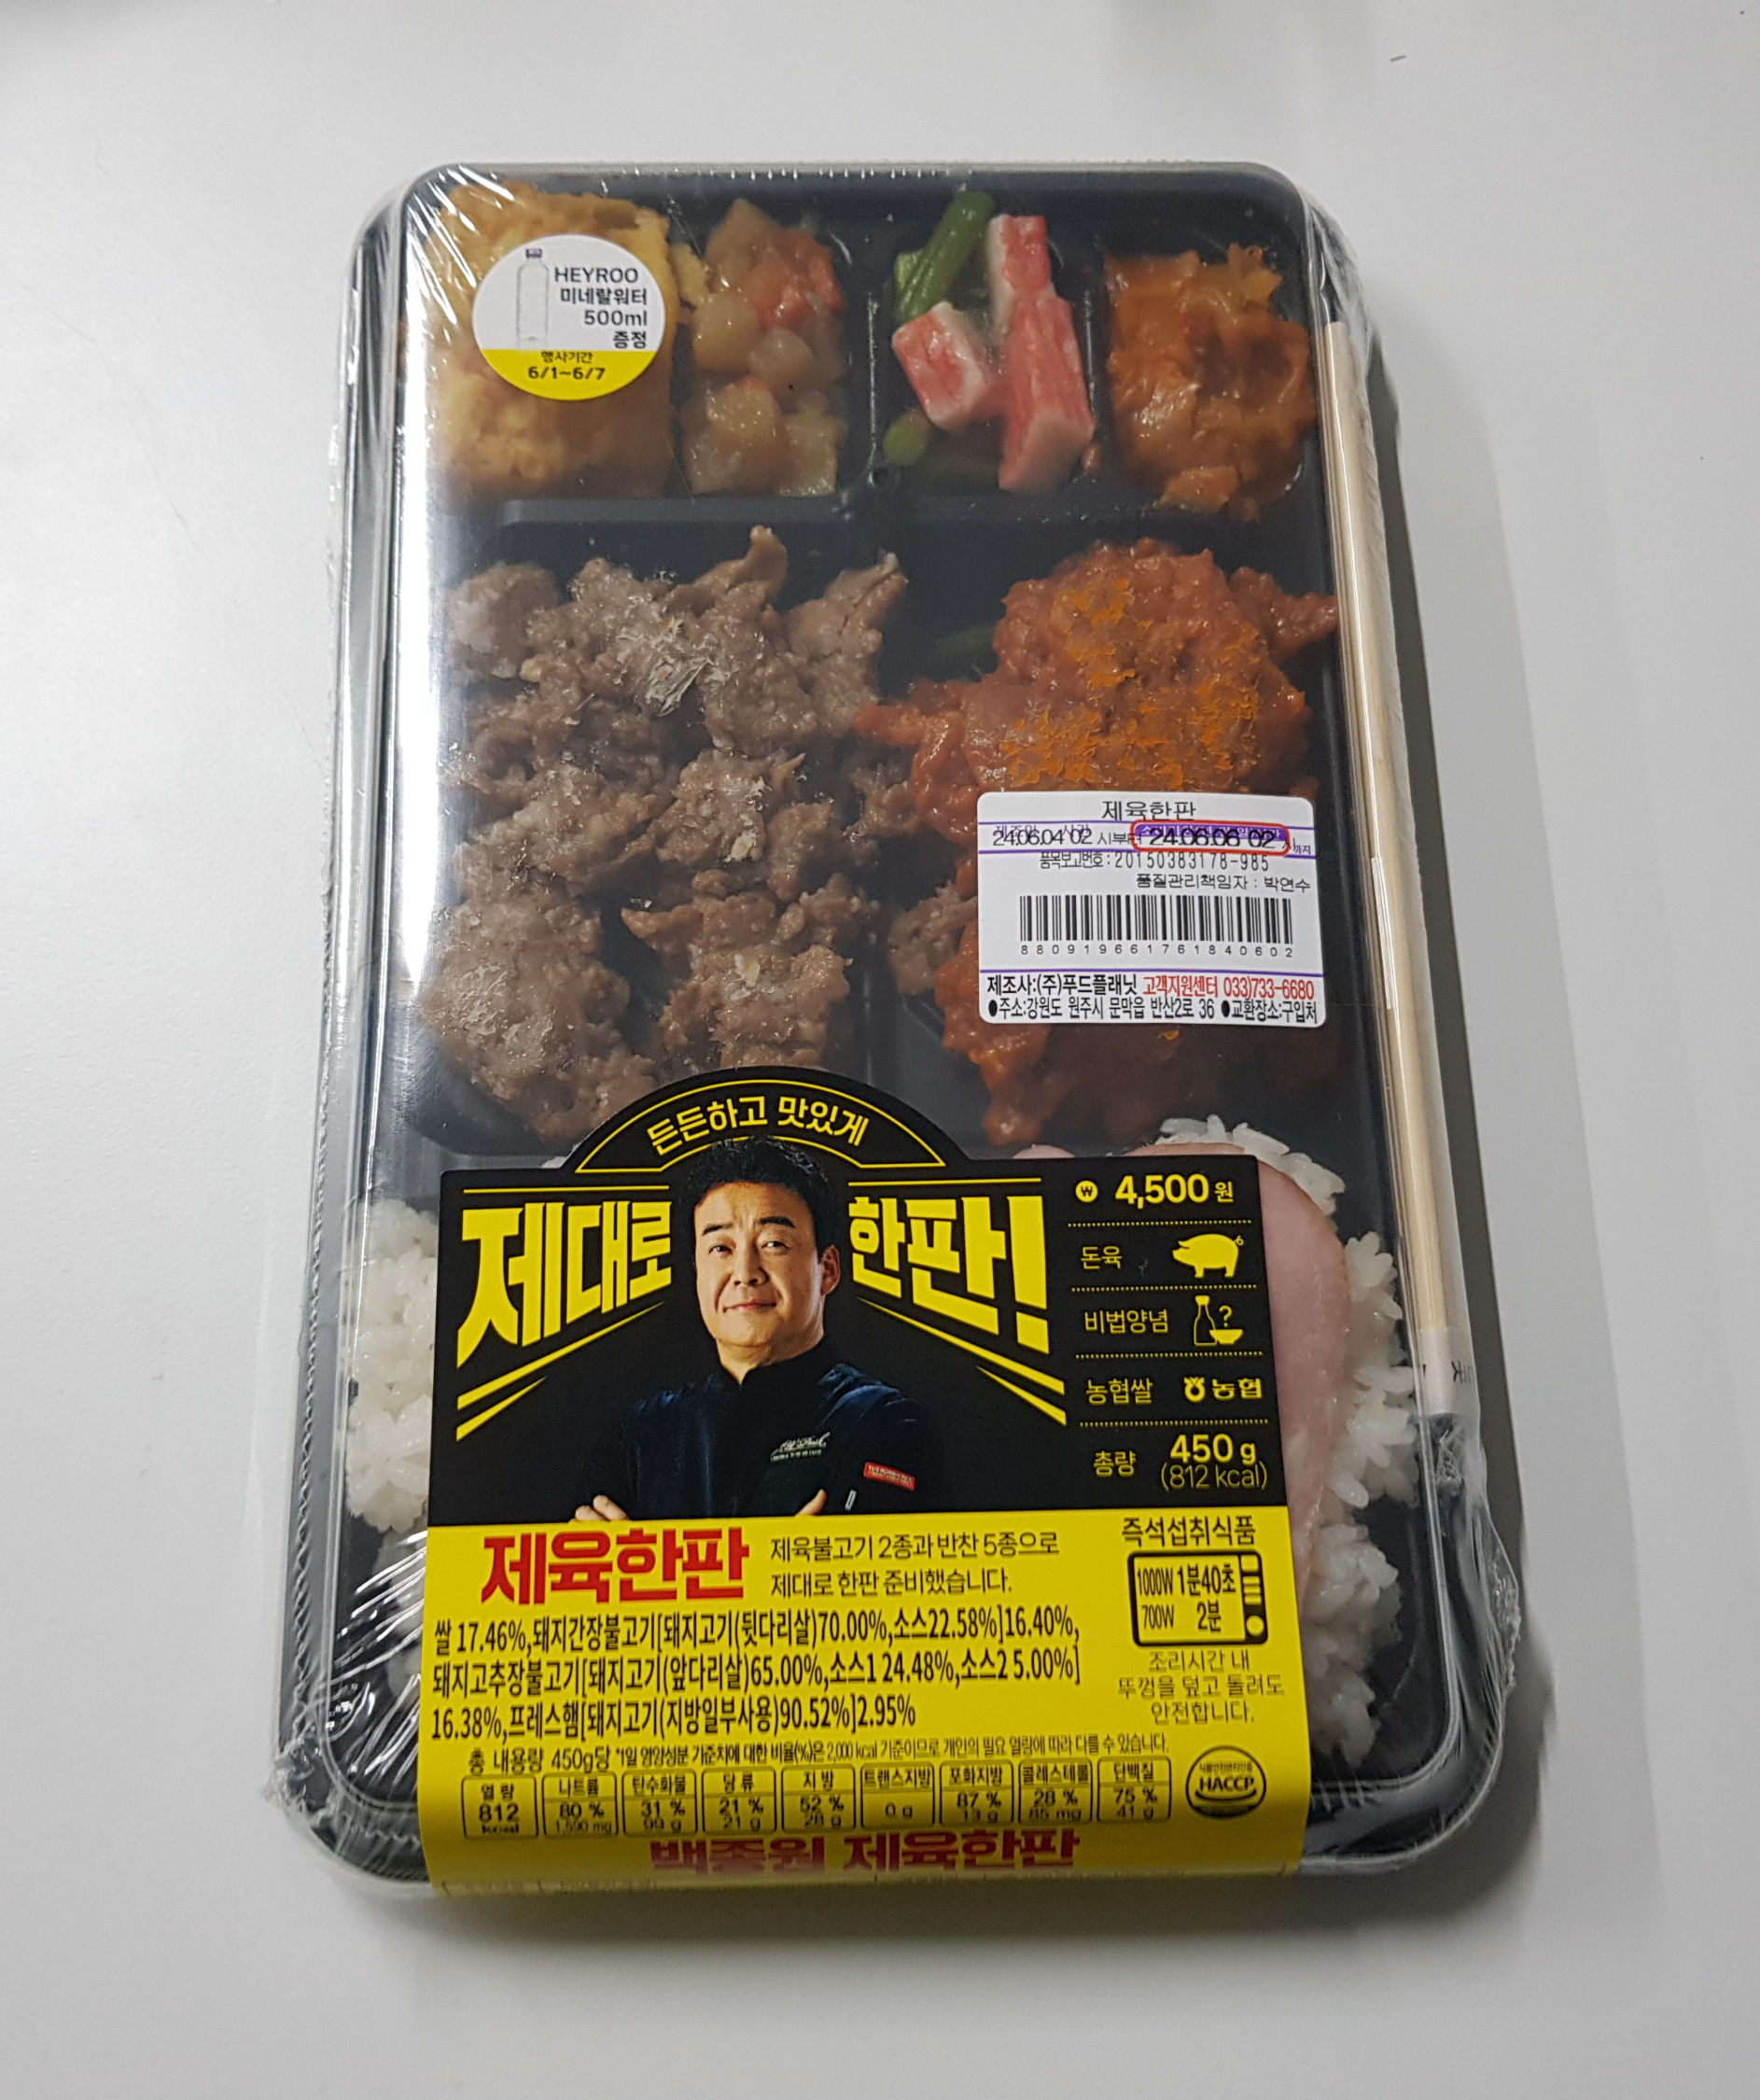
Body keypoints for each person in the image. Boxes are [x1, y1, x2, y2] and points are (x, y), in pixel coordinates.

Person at [573, 1137, 934, 1520]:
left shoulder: (885, 1423)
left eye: (773, 1243)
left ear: (827, 1269)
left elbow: (863, 1555)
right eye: (720, 1249)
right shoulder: (638, 1437)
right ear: (696, 1272)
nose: (745, 1273)